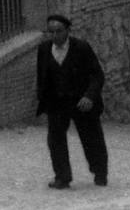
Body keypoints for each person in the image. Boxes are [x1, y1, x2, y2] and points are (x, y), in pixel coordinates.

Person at [35, 14, 109, 190]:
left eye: (58, 31)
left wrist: (89, 96)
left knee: (92, 137)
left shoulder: (81, 47)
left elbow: (97, 75)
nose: (54, 36)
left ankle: (100, 172)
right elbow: (42, 75)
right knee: (55, 139)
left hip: (81, 101)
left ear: (67, 31)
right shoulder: (44, 49)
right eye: (50, 32)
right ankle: (62, 176)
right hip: (57, 102)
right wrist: (43, 98)